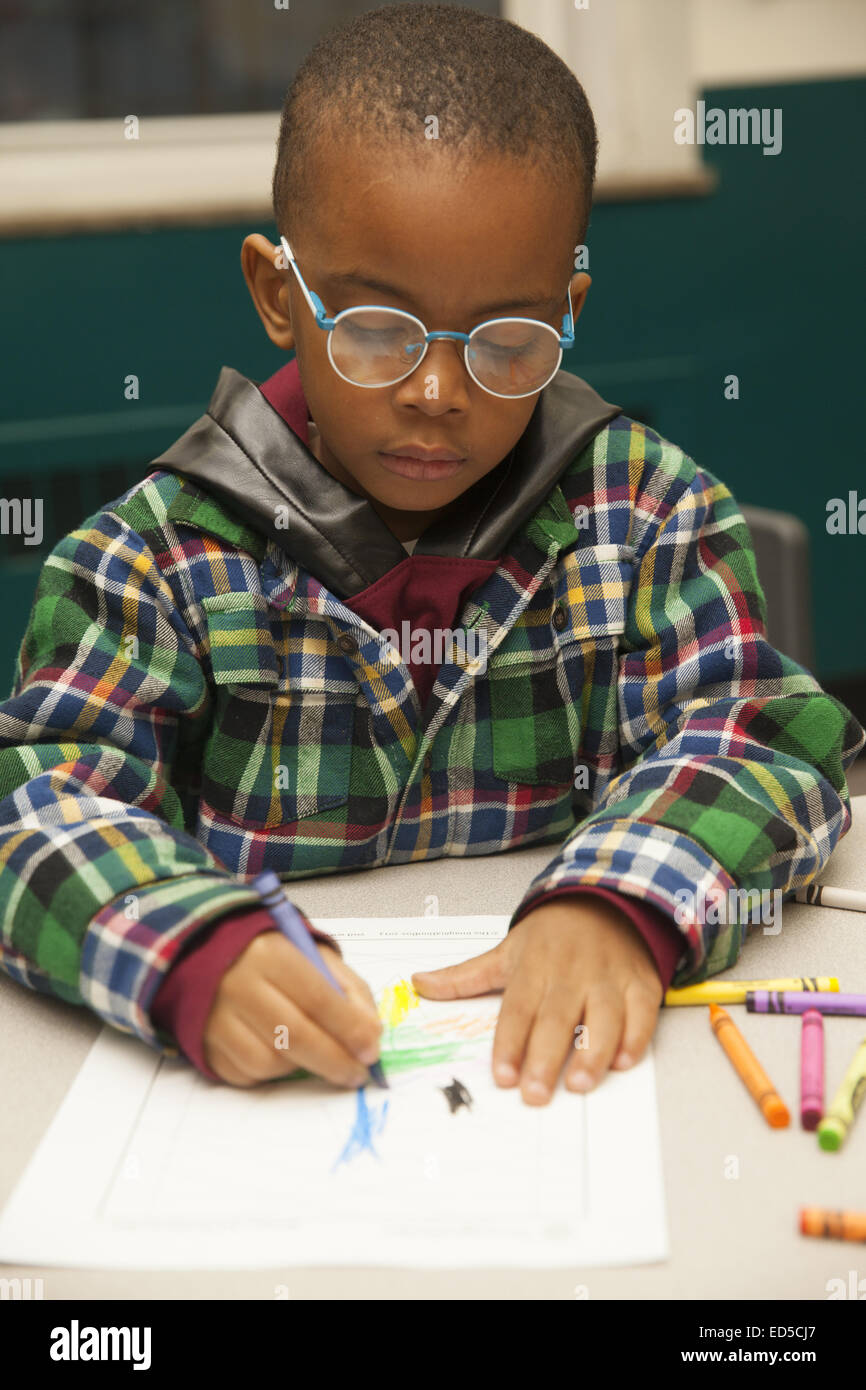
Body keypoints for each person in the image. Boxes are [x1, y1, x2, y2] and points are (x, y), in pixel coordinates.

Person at [0, 5, 861, 1106]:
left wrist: (616, 901)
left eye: (507, 342)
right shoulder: (148, 559)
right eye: (373, 328)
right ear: (279, 295)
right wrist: (189, 946)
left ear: (566, 313)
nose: (435, 392)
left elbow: (758, 738)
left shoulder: (645, 511)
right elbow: (38, 800)